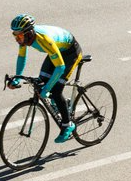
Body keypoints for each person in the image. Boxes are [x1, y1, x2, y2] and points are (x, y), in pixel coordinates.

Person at [7, 14, 83, 143]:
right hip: (56, 51)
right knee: (42, 80)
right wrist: (17, 78)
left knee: (56, 90)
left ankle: (67, 124)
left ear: (29, 33)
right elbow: (21, 57)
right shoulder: (25, 38)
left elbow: (60, 68)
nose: (17, 39)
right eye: (15, 35)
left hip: (70, 53)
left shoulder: (44, 39)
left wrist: (47, 89)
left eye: (19, 35)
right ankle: (61, 104)